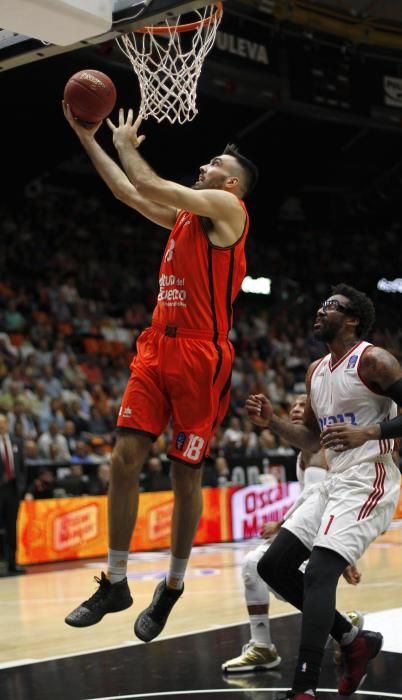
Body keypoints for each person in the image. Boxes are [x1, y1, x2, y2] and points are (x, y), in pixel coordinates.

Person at [63, 102, 258, 641]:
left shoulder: (227, 210)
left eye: (215, 162)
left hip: (202, 355)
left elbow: (150, 179)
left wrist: (125, 142)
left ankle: (171, 585)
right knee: (123, 460)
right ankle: (117, 581)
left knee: (183, 474)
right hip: (156, 348)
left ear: (233, 185)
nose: (205, 166)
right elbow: (131, 192)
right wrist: (88, 137)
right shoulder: (184, 221)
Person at [246, 284, 402, 699]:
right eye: (320, 304)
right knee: (273, 567)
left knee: (317, 573)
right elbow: (313, 440)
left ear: (352, 320)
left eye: (331, 307)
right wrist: (273, 422)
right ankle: (354, 640)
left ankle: (303, 687)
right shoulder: (315, 370)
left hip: (370, 477)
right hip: (334, 480)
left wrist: (368, 431)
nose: (320, 310)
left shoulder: (374, 360)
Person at [222, 394, 363, 674]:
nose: (297, 409)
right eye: (294, 405)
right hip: (310, 531)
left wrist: (343, 553)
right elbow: (310, 499)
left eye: (303, 405)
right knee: (261, 569)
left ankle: (342, 628)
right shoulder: (304, 452)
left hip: (326, 535)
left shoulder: (327, 448)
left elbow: (329, 498)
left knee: (262, 568)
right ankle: (339, 626)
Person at [0, 412, 26, 575]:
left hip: (13, 490)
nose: (1, 426)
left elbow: (23, 467)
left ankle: (13, 563)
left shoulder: (17, 442)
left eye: (3, 423)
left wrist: (22, 487)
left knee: (12, 527)